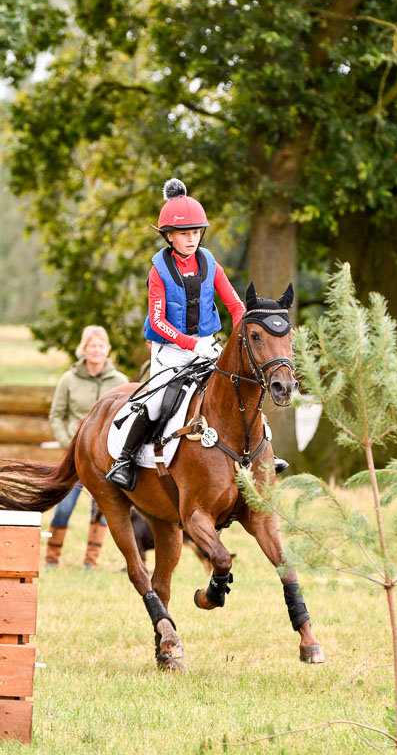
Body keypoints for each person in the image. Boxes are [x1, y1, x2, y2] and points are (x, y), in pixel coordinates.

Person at [106, 178, 288, 490]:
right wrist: (192, 345)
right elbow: (158, 320)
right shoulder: (158, 271)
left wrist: (239, 339)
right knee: (156, 402)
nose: (191, 239)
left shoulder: (210, 264)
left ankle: (265, 453)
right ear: (169, 236)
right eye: (183, 233)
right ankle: (125, 458)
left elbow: (234, 305)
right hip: (169, 349)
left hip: (209, 344)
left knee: (244, 384)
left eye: (195, 232)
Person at [45, 325, 129, 569]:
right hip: (74, 458)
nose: (96, 350)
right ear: (84, 348)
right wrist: (66, 443)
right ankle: (51, 559)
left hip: (105, 459)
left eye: (101, 346)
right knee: (64, 508)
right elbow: (56, 415)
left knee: (101, 510)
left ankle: (91, 562)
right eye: (92, 346)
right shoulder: (68, 379)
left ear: (107, 349)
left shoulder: (120, 381)